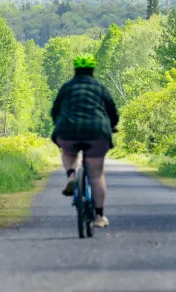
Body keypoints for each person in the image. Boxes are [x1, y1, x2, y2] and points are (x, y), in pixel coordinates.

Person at [50, 53, 119, 229]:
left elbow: (55, 110)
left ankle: (71, 175)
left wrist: (59, 124)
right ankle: (99, 216)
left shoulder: (67, 87)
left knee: (67, 151)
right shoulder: (99, 87)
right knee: (96, 175)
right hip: (97, 132)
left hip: (68, 129)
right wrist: (113, 125)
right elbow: (112, 112)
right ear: (92, 70)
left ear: (76, 70)